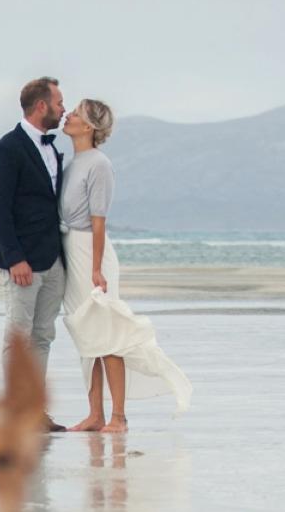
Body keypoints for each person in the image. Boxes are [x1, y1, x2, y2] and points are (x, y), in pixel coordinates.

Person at [58, 98, 192, 432]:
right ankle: (95, 414)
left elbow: (99, 220)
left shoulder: (99, 164)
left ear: (88, 126)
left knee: (107, 333)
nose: (68, 115)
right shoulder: (73, 163)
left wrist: (96, 268)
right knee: (85, 334)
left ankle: (118, 416)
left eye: (75, 113)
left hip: (92, 251)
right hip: (71, 249)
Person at [0, 76, 68, 433]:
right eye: (59, 103)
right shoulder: (8, 148)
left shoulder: (53, 148)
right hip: (22, 261)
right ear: (41, 106)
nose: (63, 109)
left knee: (43, 334)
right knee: (18, 335)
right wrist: (14, 256)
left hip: (53, 259)